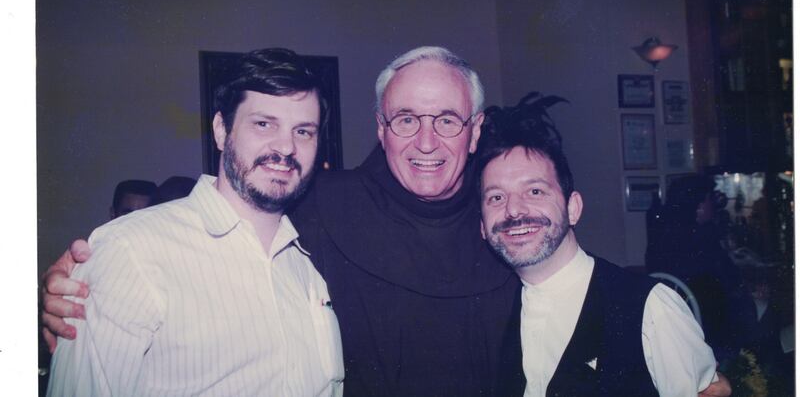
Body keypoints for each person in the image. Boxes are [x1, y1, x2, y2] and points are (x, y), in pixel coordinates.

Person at [42, 47, 730, 397]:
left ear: (474, 129)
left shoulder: (503, 223)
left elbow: (582, 297)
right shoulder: (316, 200)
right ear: (381, 126)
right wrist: (78, 278)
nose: (425, 141)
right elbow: (204, 213)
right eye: (406, 118)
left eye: (446, 120)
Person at [46, 48, 344, 396]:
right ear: (221, 130)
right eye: (264, 124)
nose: (286, 146)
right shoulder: (131, 251)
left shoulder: (306, 266)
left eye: (304, 132)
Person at [477, 94, 722, 396]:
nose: (514, 210)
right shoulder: (490, 314)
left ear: (573, 209)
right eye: (496, 197)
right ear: (483, 228)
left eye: (535, 191)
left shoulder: (651, 309)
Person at [646, 174, 758, 364]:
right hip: (709, 324)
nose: (713, 204)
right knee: (761, 308)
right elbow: (729, 281)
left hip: (679, 323)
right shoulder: (704, 237)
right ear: (698, 205)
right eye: (709, 199)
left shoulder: (663, 233)